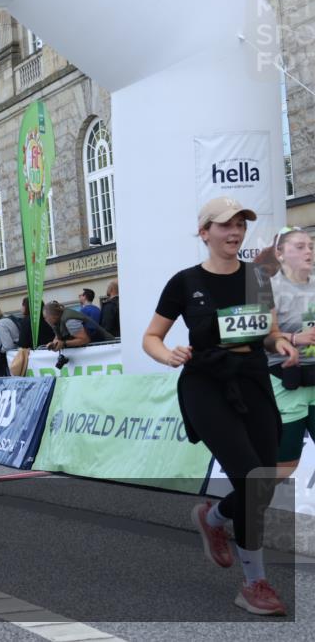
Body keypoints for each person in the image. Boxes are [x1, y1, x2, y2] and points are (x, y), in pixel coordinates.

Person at [142, 197, 297, 616]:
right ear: (204, 232)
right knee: (249, 476)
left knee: (263, 480)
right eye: (225, 225)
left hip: (252, 379)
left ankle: (213, 519)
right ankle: (254, 583)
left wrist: (279, 342)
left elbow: (268, 332)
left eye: (240, 225)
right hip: (205, 385)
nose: (234, 233)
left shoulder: (257, 278)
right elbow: (151, 337)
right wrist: (166, 354)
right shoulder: (184, 281)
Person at [265, 227, 315, 483]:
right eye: (299, 246)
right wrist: (295, 339)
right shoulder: (268, 289)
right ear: (280, 253)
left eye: (310, 246)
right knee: (286, 466)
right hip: (286, 382)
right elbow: (260, 337)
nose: (308, 251)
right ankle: (220, 512)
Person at [43, 300, 113, 351]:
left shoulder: (69, 320)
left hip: (107, 348)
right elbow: (58, 337)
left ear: (53, 316)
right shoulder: (58, 321)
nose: (45, 320)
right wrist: (53, 344)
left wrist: (64, 344)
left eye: (46, 317)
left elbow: (85, 339)